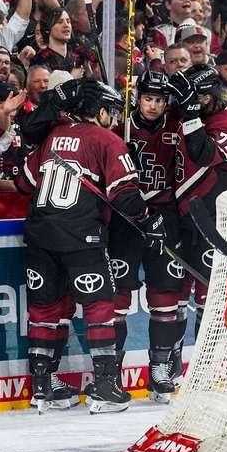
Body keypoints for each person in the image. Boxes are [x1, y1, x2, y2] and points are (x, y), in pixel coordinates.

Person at [16, 78, 165, 414]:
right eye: (110, 111)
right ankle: (105, 386)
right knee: (100, 306)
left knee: (44, 310)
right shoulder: (107, 140)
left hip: (39, 234)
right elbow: (125, 195)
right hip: (83, 235)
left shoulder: (51, 136)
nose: (113, 118)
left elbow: (23, 182)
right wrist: (149, 221)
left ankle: (42, 387)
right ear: (98, 111)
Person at [109, 70, 184, 403]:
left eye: (159, 100)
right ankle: (112, 371)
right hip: (126, 218)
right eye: (147, 98)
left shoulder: (176, 126)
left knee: (165, 293)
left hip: (165, 215)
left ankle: (159, 369)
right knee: (119, 296)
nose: (152, 106)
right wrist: (120, 152)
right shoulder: (120, 128)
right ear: (137, 97)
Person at [164, 63, 227, 343]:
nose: (181, 103)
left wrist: (191, 114)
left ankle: (207, 361)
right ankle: (172, 361)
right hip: (181, 214)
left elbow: (203, 155)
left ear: (207, 98)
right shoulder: (185, 112)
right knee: (174, 293)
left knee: (207, 291)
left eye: (192, 97)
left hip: (211, 217)